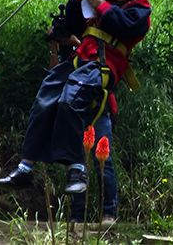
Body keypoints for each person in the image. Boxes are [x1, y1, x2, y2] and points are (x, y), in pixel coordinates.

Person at [0, 0, 151, 198]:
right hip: (78, 65)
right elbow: (72, 25)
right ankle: (26, 165)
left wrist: (101, 6)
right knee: (45, 99)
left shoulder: (140, 9)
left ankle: (77, 168)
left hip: (100, 68)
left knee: (69, 101)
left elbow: (126, 27)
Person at [46, 24, 119, 225]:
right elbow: (53, 74)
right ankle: (77, 216)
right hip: (74, 113)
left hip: (99, 109)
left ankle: (109, 213)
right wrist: (55, 47)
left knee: (104, 162)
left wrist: (76, 42)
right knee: (76, 163)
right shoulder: (69, 51)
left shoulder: (95, 38)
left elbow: (93, 62)